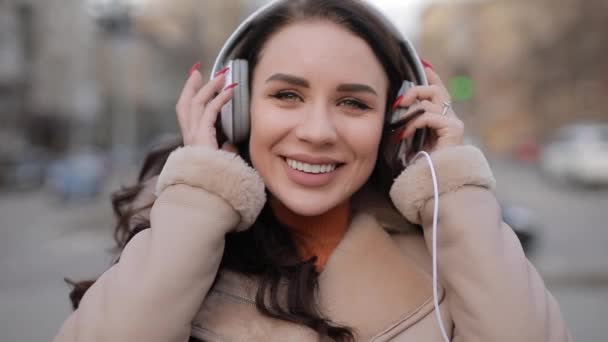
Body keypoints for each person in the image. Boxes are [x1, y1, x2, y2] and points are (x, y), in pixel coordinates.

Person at [54, 0, 571, 341]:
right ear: (235, 106)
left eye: (353, 103)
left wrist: (452, 185)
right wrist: (203, 193)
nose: (319, 131)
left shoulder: (445, 262)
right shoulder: (175, 243)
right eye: (287, 95)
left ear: (397, 118)